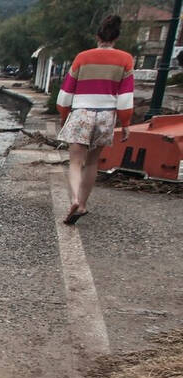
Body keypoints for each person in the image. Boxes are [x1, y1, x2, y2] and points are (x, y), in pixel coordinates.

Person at [55, 15, 134, 225]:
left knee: (75, 162)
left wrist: (64, 116)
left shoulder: (83, 57)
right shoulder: (125, 59)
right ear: (116, 37)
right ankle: (81, 204)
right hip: (107, 114)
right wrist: (125, 124)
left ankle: (72, 199)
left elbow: (66, 93)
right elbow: (125, 97)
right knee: (92, 162)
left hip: (82, 112)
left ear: (97, 36)